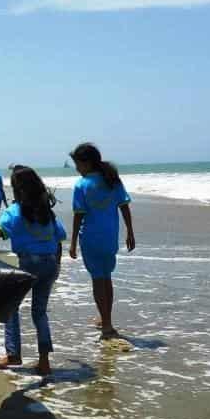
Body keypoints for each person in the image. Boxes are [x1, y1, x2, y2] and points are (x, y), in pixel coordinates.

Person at [0, 166, 66, 375]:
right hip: (51, 264)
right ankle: (44, 362)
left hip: (29, 263)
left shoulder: (15, 211)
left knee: (10, 306)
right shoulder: (46, 212)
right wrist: (58, 264)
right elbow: (59, 237)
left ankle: (13, 353)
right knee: (39, 312)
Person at [68, 143, 136, 338]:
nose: (77, 168)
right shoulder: (112, 180)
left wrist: (72, 242)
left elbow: (78, 216)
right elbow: (124, 207)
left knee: (97, 279)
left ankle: (107, 325)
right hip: (110, 238)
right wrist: (130, 232)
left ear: (87, 163)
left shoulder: (81, 185)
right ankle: (106, 319)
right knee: (106, 277)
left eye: (78, 164)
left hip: (90, 238)